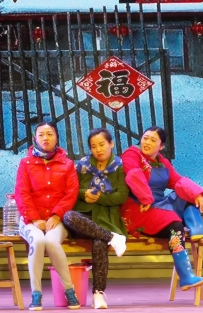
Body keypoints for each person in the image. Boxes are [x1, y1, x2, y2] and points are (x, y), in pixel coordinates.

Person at [120, 126, 203, 291]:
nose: (147, 142)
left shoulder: (163, 163)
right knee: (175, 226)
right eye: (145, 138)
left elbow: (178, 181)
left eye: (153, 140)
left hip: (157, 206)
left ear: (161, 146)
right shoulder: (132, 154)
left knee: (186, 193)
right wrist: (146, 197)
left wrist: (197, 194)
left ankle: (197, 228)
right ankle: (186, 275)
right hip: (138, 209)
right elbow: (133, 174)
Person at [14, 121, 81, 311]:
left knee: (51, 242)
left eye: (50, 134)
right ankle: (36, 294)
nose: (45, 138)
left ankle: (69, 290)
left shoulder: (67, 164)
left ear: (57, 137)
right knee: (37, 241)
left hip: (56, 219)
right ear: (35, 138)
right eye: (41, 134)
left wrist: (57, 215)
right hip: (30, 219)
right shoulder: (25, 163)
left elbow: (71, 193)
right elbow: (21, 193)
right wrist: (35, 218)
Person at [62, 128, 129, 309]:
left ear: (111, 144)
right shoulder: (82, 165)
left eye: (102, 144)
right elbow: (72, 190)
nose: (98, 149)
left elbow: (122, 195)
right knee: (68, 216)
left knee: (99, 243)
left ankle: (98, 294)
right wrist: (84, 194)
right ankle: (113, 237)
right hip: (83, 216)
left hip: (106, 217)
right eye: (93, 146)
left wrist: (99, 197)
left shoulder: (119, 166)